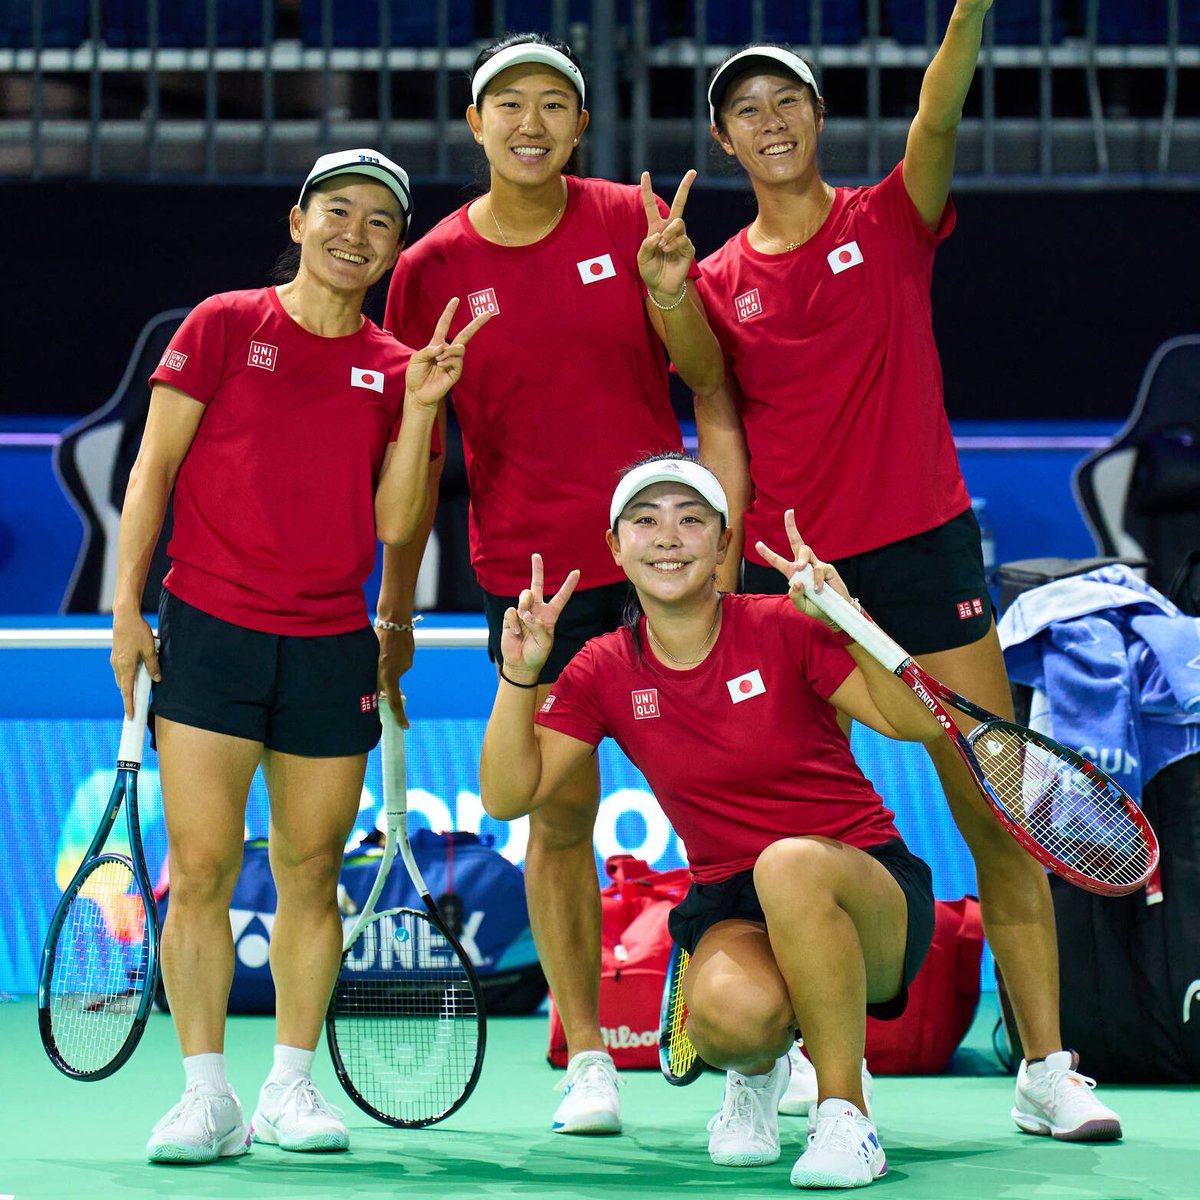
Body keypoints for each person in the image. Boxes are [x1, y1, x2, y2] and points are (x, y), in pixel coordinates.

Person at [692, 10, 1123, 1141]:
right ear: (726, 140)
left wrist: (969, 12)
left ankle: (1045, 1067)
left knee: (998, 807)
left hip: (922, 548)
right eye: (747, 110)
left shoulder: (887, 219)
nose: (770, 121)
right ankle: (787, 1059)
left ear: (819, 119)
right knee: (783, 826)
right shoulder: (714, 280)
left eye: (786, 101)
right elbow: (710, 409)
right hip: (797, 577)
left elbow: (938, 112)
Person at [109, 148, 489, 1164]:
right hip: (213, 630)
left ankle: (287, 1087)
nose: (354, 233)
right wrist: (124, 608)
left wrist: (419, 412)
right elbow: (151, 470)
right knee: (199, 869)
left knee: (312, 871)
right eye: (338, 212)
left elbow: (398, 525)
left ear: (396, 247)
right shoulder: (225, 324)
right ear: (297, 219)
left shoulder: (402, 370)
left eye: (379, 222)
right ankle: (204, 1098)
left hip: (330, 643)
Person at [377, 32, 724, 1134]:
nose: (530, 123)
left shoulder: (630, 221)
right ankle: (590, 1061)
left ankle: (782, 1046)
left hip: (665, 563)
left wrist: (672, 290)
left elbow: (706, 369)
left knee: (729, 810)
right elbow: (416, 447)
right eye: (507, 105)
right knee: (560, 819)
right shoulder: (428, 269)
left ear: (580, 126)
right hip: (535, 585)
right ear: (475, 127)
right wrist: (392, 606)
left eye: (553, 106)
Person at [479, 453, 942, 1188]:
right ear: (615, 546)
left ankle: (845, 1117)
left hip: (862, 889)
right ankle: (756, 1077)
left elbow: (919, 722)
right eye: (646, 520)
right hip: (736, 902)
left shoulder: (785, 626)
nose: (669, 537)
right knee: (728, 1021)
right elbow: (509, 796)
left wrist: (852, 624)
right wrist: (519, 675)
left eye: (692, 520)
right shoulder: (603, 667)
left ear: (723, 545)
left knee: (789, 862)